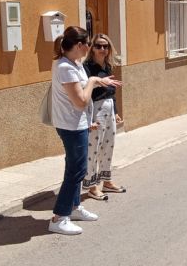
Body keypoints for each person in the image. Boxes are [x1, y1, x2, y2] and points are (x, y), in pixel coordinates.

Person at [49, 26, 122, 235]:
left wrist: (101, 81)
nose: (90, 48)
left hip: (79, 123)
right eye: (89, 44)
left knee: (75, 168)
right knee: (76, 171)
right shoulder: (65, 67)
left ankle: (73, 208)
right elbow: (80, 101)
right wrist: (92, 80)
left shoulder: (74, 63)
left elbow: (84, 96)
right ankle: (58, 217)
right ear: (79, 45)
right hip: (71, 126)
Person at [82, 33, 126, 200]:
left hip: (109, 110)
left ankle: (106, 182)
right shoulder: (87, 68)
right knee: (93, 149)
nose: (102, 49)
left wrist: (115, 111)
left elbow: (112, 91)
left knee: (108, 147)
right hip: (95, 111)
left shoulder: (108, 66)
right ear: (92, 48)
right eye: (98, 46)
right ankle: (92, 187)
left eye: (105, 46)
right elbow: (84, 94)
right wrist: (89, 119)